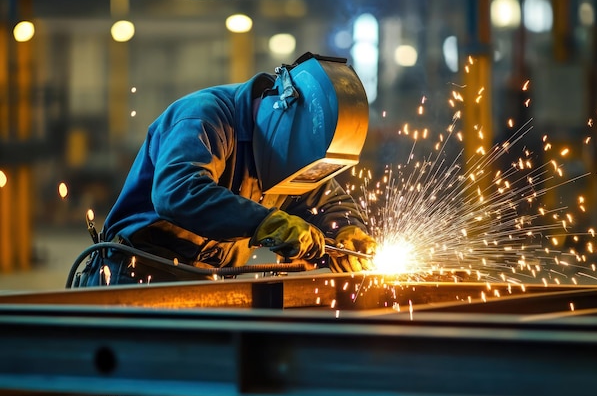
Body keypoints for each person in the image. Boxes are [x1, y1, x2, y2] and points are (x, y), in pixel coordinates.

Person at [74, 52, 377, 291]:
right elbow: (177, 192)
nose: (299, 176)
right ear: (281, 112)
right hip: (137, 275)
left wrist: (348, 231)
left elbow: (327, 202)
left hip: (211, 284)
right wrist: (264, 222)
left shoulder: (296, 156)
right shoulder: (206, 116)